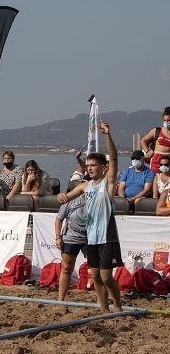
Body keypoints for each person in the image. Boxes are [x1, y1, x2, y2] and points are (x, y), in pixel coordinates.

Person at [57, 120, 123, 312]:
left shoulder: (108, 182)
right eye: (88, 165)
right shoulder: (84, 185)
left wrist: (107, 135)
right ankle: (104, 310)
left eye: (94, 165)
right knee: (95, 276)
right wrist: (62, 197)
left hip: (107, 236)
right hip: (91, 237)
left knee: (106, 276)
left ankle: (117, 307)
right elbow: (67, 196)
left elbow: (116, 158)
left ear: (103, 167)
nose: (90, 168)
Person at [54, 186, 88, 301]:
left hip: (89, 238)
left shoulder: (95, 198)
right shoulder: (70, 200)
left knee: (96, 269)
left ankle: (101, 301)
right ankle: (61, 299)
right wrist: (58, 237)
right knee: (66, 268)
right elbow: (59, 219)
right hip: (71, 238)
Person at [141, 107, 170, 173]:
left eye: (168, 120)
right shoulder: (157, 131)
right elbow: (143, 140)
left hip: (168, 162)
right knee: (154, 180)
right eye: (165, 120)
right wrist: (147, 151)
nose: (166, 122)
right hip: (156, 161)